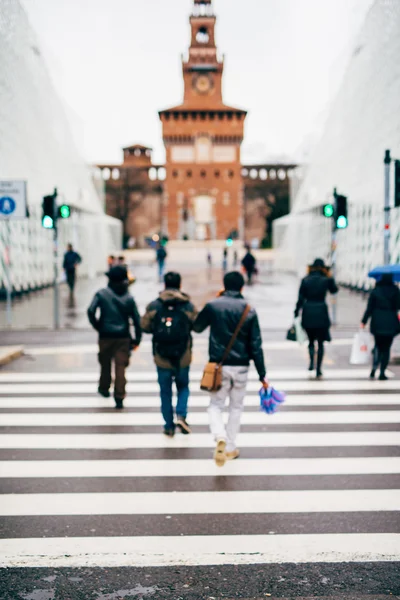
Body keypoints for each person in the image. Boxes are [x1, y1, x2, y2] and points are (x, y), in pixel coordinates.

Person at [193, 271, 267, 466]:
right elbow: (256, 344)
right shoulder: (249, 310)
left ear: (224, 285)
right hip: (242, 365)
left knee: (215, 405)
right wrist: (262, 374)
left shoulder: (213, 306)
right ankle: (231, 446)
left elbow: (197, 327)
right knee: (236, 407)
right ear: (242, 287)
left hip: (219, 366)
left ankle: (219, 436)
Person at [141, 272, 197, 437]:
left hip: (161, 355)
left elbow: (144, 326)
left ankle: (168, 425)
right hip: (183, 355)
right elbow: (197, 324)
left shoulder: (154, 305)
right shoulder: (187, 306)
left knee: (165, 391)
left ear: (164, 284)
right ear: (179, 285)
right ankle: (181, 414)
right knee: (183, 386)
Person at [87, 266, 142, 409]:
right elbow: (137, 320)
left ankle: (104, 388)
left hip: (105, 335)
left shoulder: (101, 294)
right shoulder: (129, 298)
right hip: (123, 337)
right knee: (121, 367)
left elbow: (90, 311)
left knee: (105, 363)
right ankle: (119, 395)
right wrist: (137, 339)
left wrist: (98, 326)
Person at [294, 258, 338, 379]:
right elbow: (334, 290)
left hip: (308, 311)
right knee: (321, 342)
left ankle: (310, 364)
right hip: (321, 312)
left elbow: (300, 298)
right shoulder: (325, 280)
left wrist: (296, 312)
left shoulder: (305, 280)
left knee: (311, 340)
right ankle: (318, 368)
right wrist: (329, 275)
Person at [361, 273, 400, 380]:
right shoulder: (395, 291)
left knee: (378, 346)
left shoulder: (375, 291)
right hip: (390, 321)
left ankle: (374, 367)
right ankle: (382, 371)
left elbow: (369, 308)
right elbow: (398, 306)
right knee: (386, 348)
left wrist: (364, 321)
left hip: (377, 321)